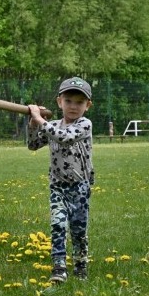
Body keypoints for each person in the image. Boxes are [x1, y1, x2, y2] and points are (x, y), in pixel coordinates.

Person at [26, 77, 95, 283]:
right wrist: (32, 124)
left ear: (87, 106)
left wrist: (40, 120)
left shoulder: (84, 124)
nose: (73, 106)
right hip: (58, 186)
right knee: (58, 224)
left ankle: (81, 264)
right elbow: (33, 145)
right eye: (68, 101)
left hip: (80, 186)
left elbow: (64, 137)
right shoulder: (52, 124)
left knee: (78, 229)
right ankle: (58, 267)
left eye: (79, 102)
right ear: (59, 102)